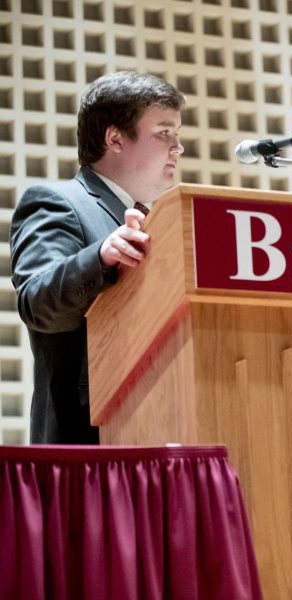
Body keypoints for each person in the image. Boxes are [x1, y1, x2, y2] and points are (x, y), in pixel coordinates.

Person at [10, 71, 185, 443]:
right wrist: (100, 258)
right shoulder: (58, 202)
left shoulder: (159, 223)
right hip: (86, 446)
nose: (178, 147)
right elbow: (37, 303)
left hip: (161, 429)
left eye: (177, 134)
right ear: (115, 138)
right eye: (164, 132)